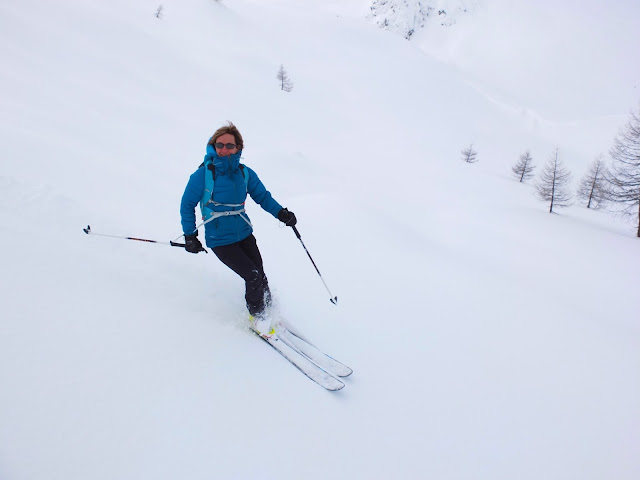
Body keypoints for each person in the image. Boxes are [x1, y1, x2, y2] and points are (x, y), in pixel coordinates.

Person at [180, 122, 296, 336]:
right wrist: (190, 236)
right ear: (213, 146)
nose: (223, 149)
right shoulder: (203, 175)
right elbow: (187, 204)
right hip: (219, 239)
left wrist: (282, 213)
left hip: (244, 233)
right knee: (251, 275)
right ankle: (258, 317)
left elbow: (262, 197)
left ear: (238, 148)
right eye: (219, 145)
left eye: (229, 145)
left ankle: (270, 309)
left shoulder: (245, 173)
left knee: (260, 272)